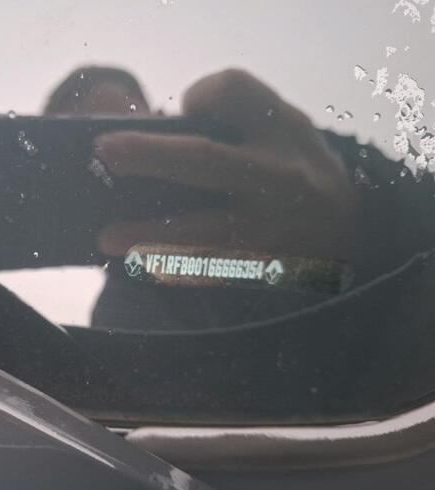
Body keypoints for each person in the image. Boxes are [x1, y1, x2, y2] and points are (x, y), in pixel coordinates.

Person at [43, 66, 435, 331]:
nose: (110, 163)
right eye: (81, 157)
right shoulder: (121, 315)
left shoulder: (303, 170)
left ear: (163, 120)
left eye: (121, 128)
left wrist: (361, 212)